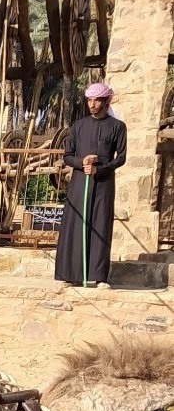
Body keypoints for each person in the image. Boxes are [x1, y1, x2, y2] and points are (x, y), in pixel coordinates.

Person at [55, 81, 126, 287]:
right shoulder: (78, 126)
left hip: (103, 183)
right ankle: (72, 274)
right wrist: (81, 162)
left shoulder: (118, 127)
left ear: (106, 101)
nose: (93, 104)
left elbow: (120, 158)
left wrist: (99, 169)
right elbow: (68, 156)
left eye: (97, 100)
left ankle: (98, 276)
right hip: (80, 182)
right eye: (90, 100)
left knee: (100, 226)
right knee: (75, 225)